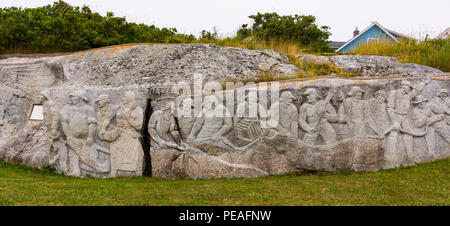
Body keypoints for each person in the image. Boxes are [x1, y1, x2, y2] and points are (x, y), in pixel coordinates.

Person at [101, 91, 145, 177]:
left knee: (137, 152)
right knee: (114, 148)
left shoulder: (137, 109)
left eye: (125, 96)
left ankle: (136, 173)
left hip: (130, 134)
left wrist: (128, 118)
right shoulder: (119, 108)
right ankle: (114, 172)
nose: (122, 98)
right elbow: (108, 118)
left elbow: (139, 126)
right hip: (119, 133)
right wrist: (103, 128)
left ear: (130, 98)